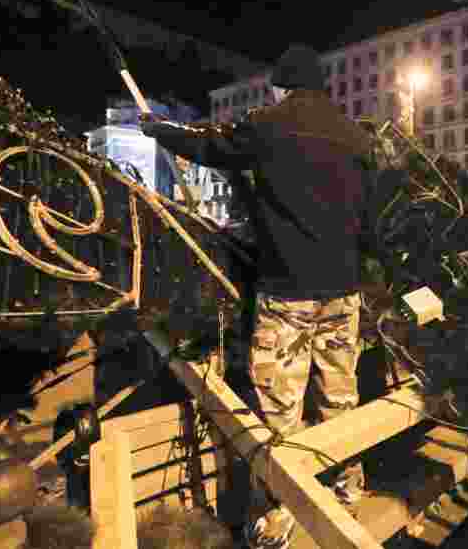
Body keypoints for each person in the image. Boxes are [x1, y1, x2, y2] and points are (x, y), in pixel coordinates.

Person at [140, 44, 373, 549]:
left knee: (279, 408)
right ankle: (348, 485)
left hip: (288, 291)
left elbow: (209, 146)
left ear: (285, 85)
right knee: (340, 393)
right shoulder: (356, 135)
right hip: (345, 291)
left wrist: (157, 128)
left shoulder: (271, 123)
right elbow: (370, 217)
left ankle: (278, 515)